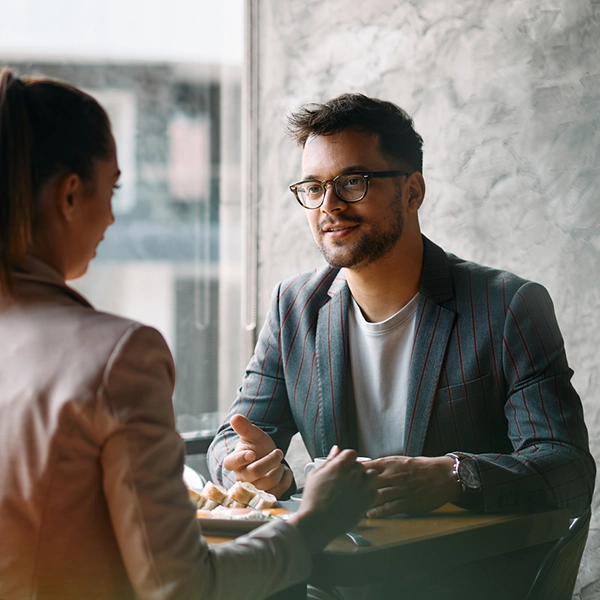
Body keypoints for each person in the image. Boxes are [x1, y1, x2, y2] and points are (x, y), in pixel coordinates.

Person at [0, 70, 378, 600]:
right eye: (113, 189)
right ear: (69, 195)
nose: (111, 215)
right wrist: (315, 521)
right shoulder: (115, 356)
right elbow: (182, 587)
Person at [207, 93, 596, 596]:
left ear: (413, 191)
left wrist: (456, 476)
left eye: (352, 182)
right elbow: (231, 440)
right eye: (313, 187)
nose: (329, 206)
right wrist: (249, 465)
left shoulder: (508, 306)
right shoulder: (294, 307)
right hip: (333, 582)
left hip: (463, 584)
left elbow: (567, 467)